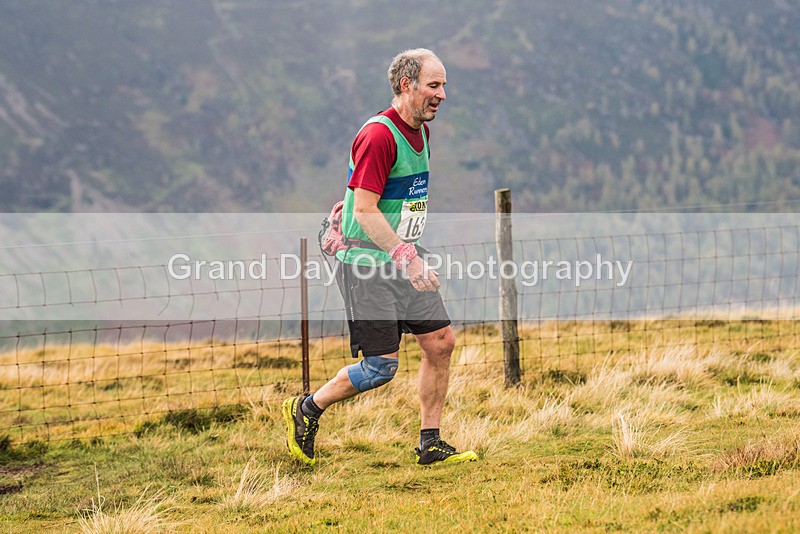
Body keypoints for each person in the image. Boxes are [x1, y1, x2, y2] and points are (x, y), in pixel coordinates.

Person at [282, 48, 477, 466]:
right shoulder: (379, 135)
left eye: (443, 85)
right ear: (407, 85)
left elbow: (373, 195)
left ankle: (430, 442)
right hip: (368, 264)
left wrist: (400, 246)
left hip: (403, 257)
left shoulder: (420, 130)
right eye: (434, 85)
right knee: (379, 368)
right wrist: (406, 255)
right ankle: (307, 408)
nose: (443, 94)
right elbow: (368, 209)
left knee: (440, 343)